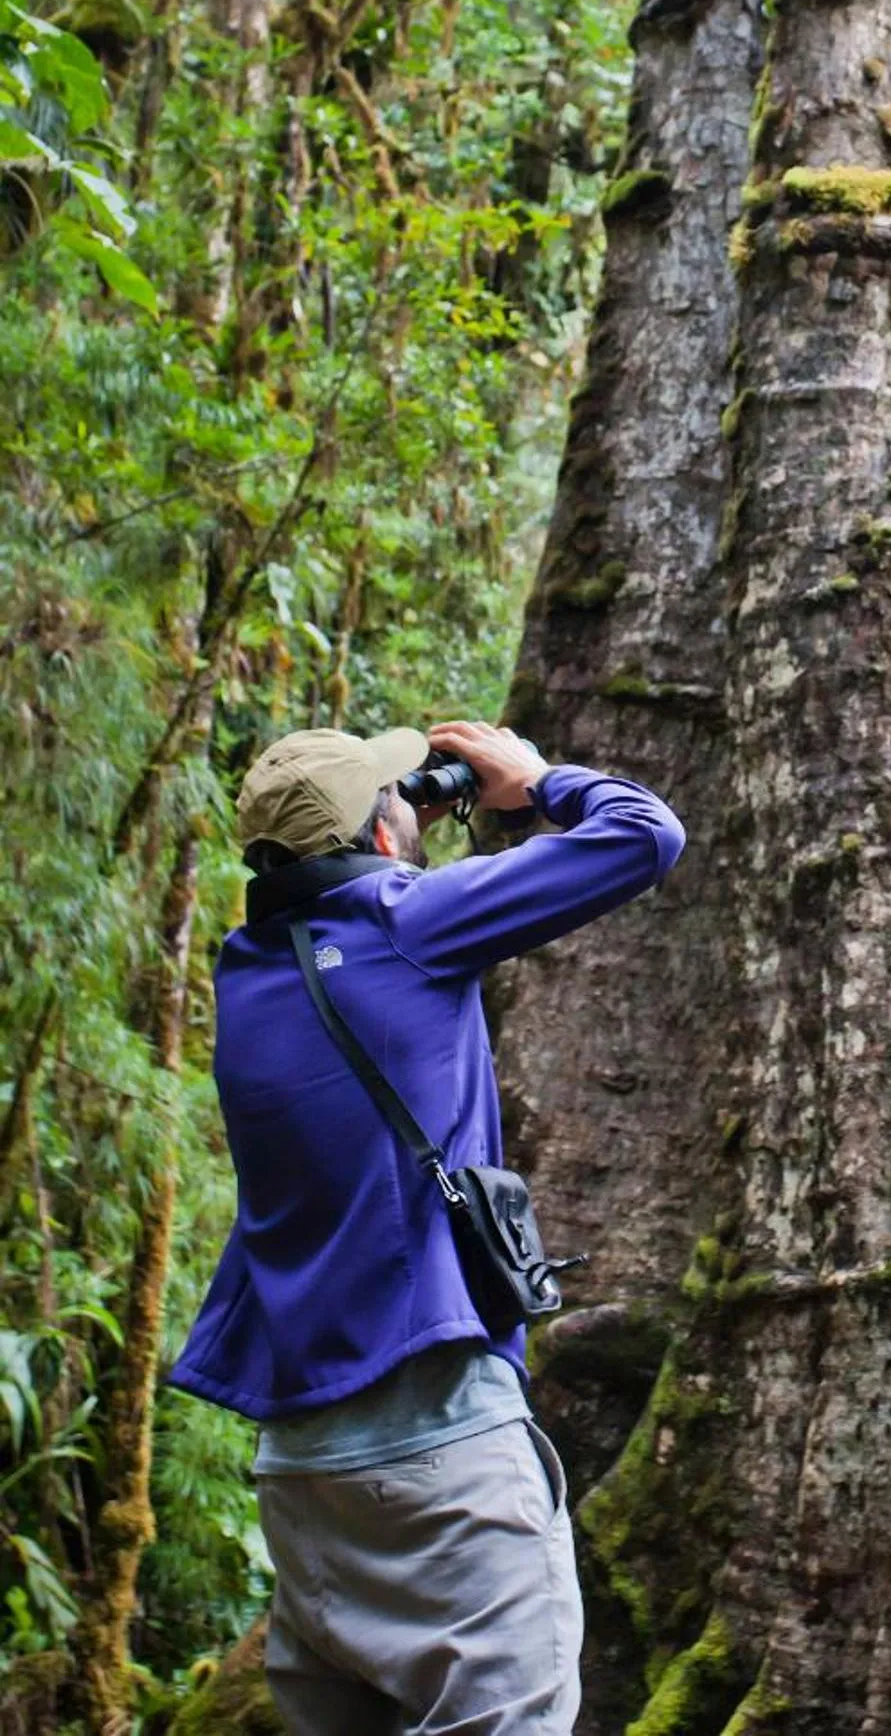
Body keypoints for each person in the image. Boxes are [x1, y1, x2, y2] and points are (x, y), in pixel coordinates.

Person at [170, 715, 685, 1736]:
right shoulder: (406, 922)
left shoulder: (246, 970)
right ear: (381, 838)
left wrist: (401, 823)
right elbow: (643, 833)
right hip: (438, 1453)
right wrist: (534, 782)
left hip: (303, 1480)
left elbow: (338, 919)